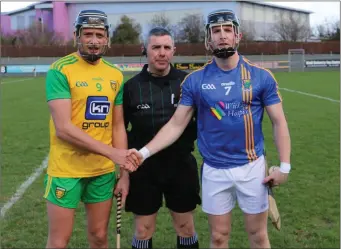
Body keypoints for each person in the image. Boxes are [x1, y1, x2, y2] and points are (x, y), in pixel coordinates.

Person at [128, 9, 292, 249]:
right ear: (208, 38)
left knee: (258, 236)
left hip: (252, 167)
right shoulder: (195, 81)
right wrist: (142, 153)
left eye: (228, 30)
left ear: (238, 36)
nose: (222, 36)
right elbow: (176, 124)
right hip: (214, 170)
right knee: (218, 237)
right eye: (216, 31)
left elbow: (279, 122)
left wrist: (285, 167)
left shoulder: (261, 77)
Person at [44, 10, 137, 249]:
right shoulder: (60, 69)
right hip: (66, 170)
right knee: (59, 241)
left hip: (102, 172)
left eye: (99, 35)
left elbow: (117, 126)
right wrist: (111, 153)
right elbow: (63, 129)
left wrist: (123, 173)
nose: (94, 41)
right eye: (88, 34)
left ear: (107, 38)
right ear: (77, 35)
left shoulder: (115, 74)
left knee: (99, 237)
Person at [122, 27, 201, 249]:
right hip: (144, 169)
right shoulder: (131, 88)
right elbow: (120, 133)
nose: (162, 53)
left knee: (186, 227)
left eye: (167, 47)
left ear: (173, 51)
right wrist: (123, 174)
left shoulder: (188, 83)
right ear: (145, 50)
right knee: (143, 230)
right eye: (156, 47)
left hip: (181, 166)